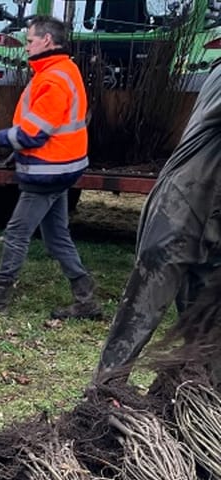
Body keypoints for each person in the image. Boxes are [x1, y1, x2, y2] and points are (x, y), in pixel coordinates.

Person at [93, 62, 221, 383]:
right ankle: (103, 396)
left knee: (207, 324)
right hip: (180, 204)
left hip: (215, 216)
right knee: (141, 309)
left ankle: (202, 402)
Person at [0, 16, 100, 319]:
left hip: (48, 170)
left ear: (46, 40)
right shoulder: (64, 70)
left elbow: (32, 134)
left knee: (17, 234)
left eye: (30, 41)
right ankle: (86, 300)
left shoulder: (52, 79)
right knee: (57, 235)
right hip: (63, 167)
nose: (27, 46)